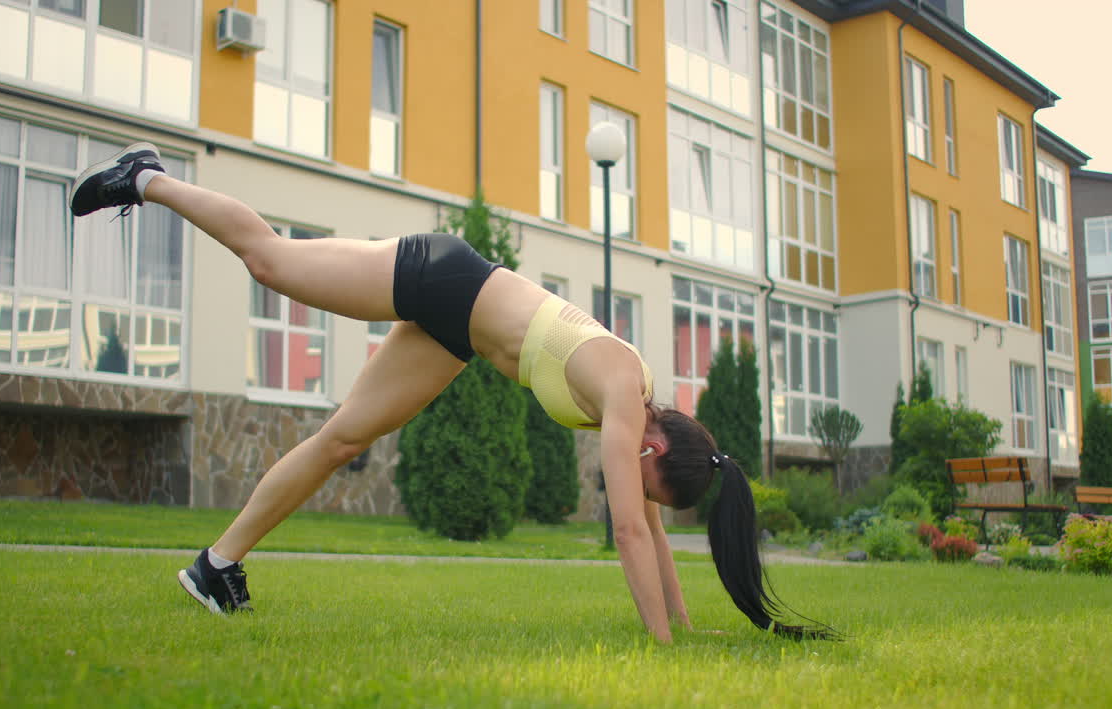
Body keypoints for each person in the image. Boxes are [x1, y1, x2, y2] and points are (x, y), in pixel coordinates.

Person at [70, 143, 835, 643]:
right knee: (271, 262)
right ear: (654, 446)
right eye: (648, 480)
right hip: (443, 276)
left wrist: (683, 626)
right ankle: (150, 177)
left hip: (455, 334)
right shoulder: (623, 393)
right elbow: (634, 534)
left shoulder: (637, 412)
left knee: (343, 439)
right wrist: (665, 655)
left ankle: (216, 566)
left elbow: (653, 533)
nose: (632, 489)